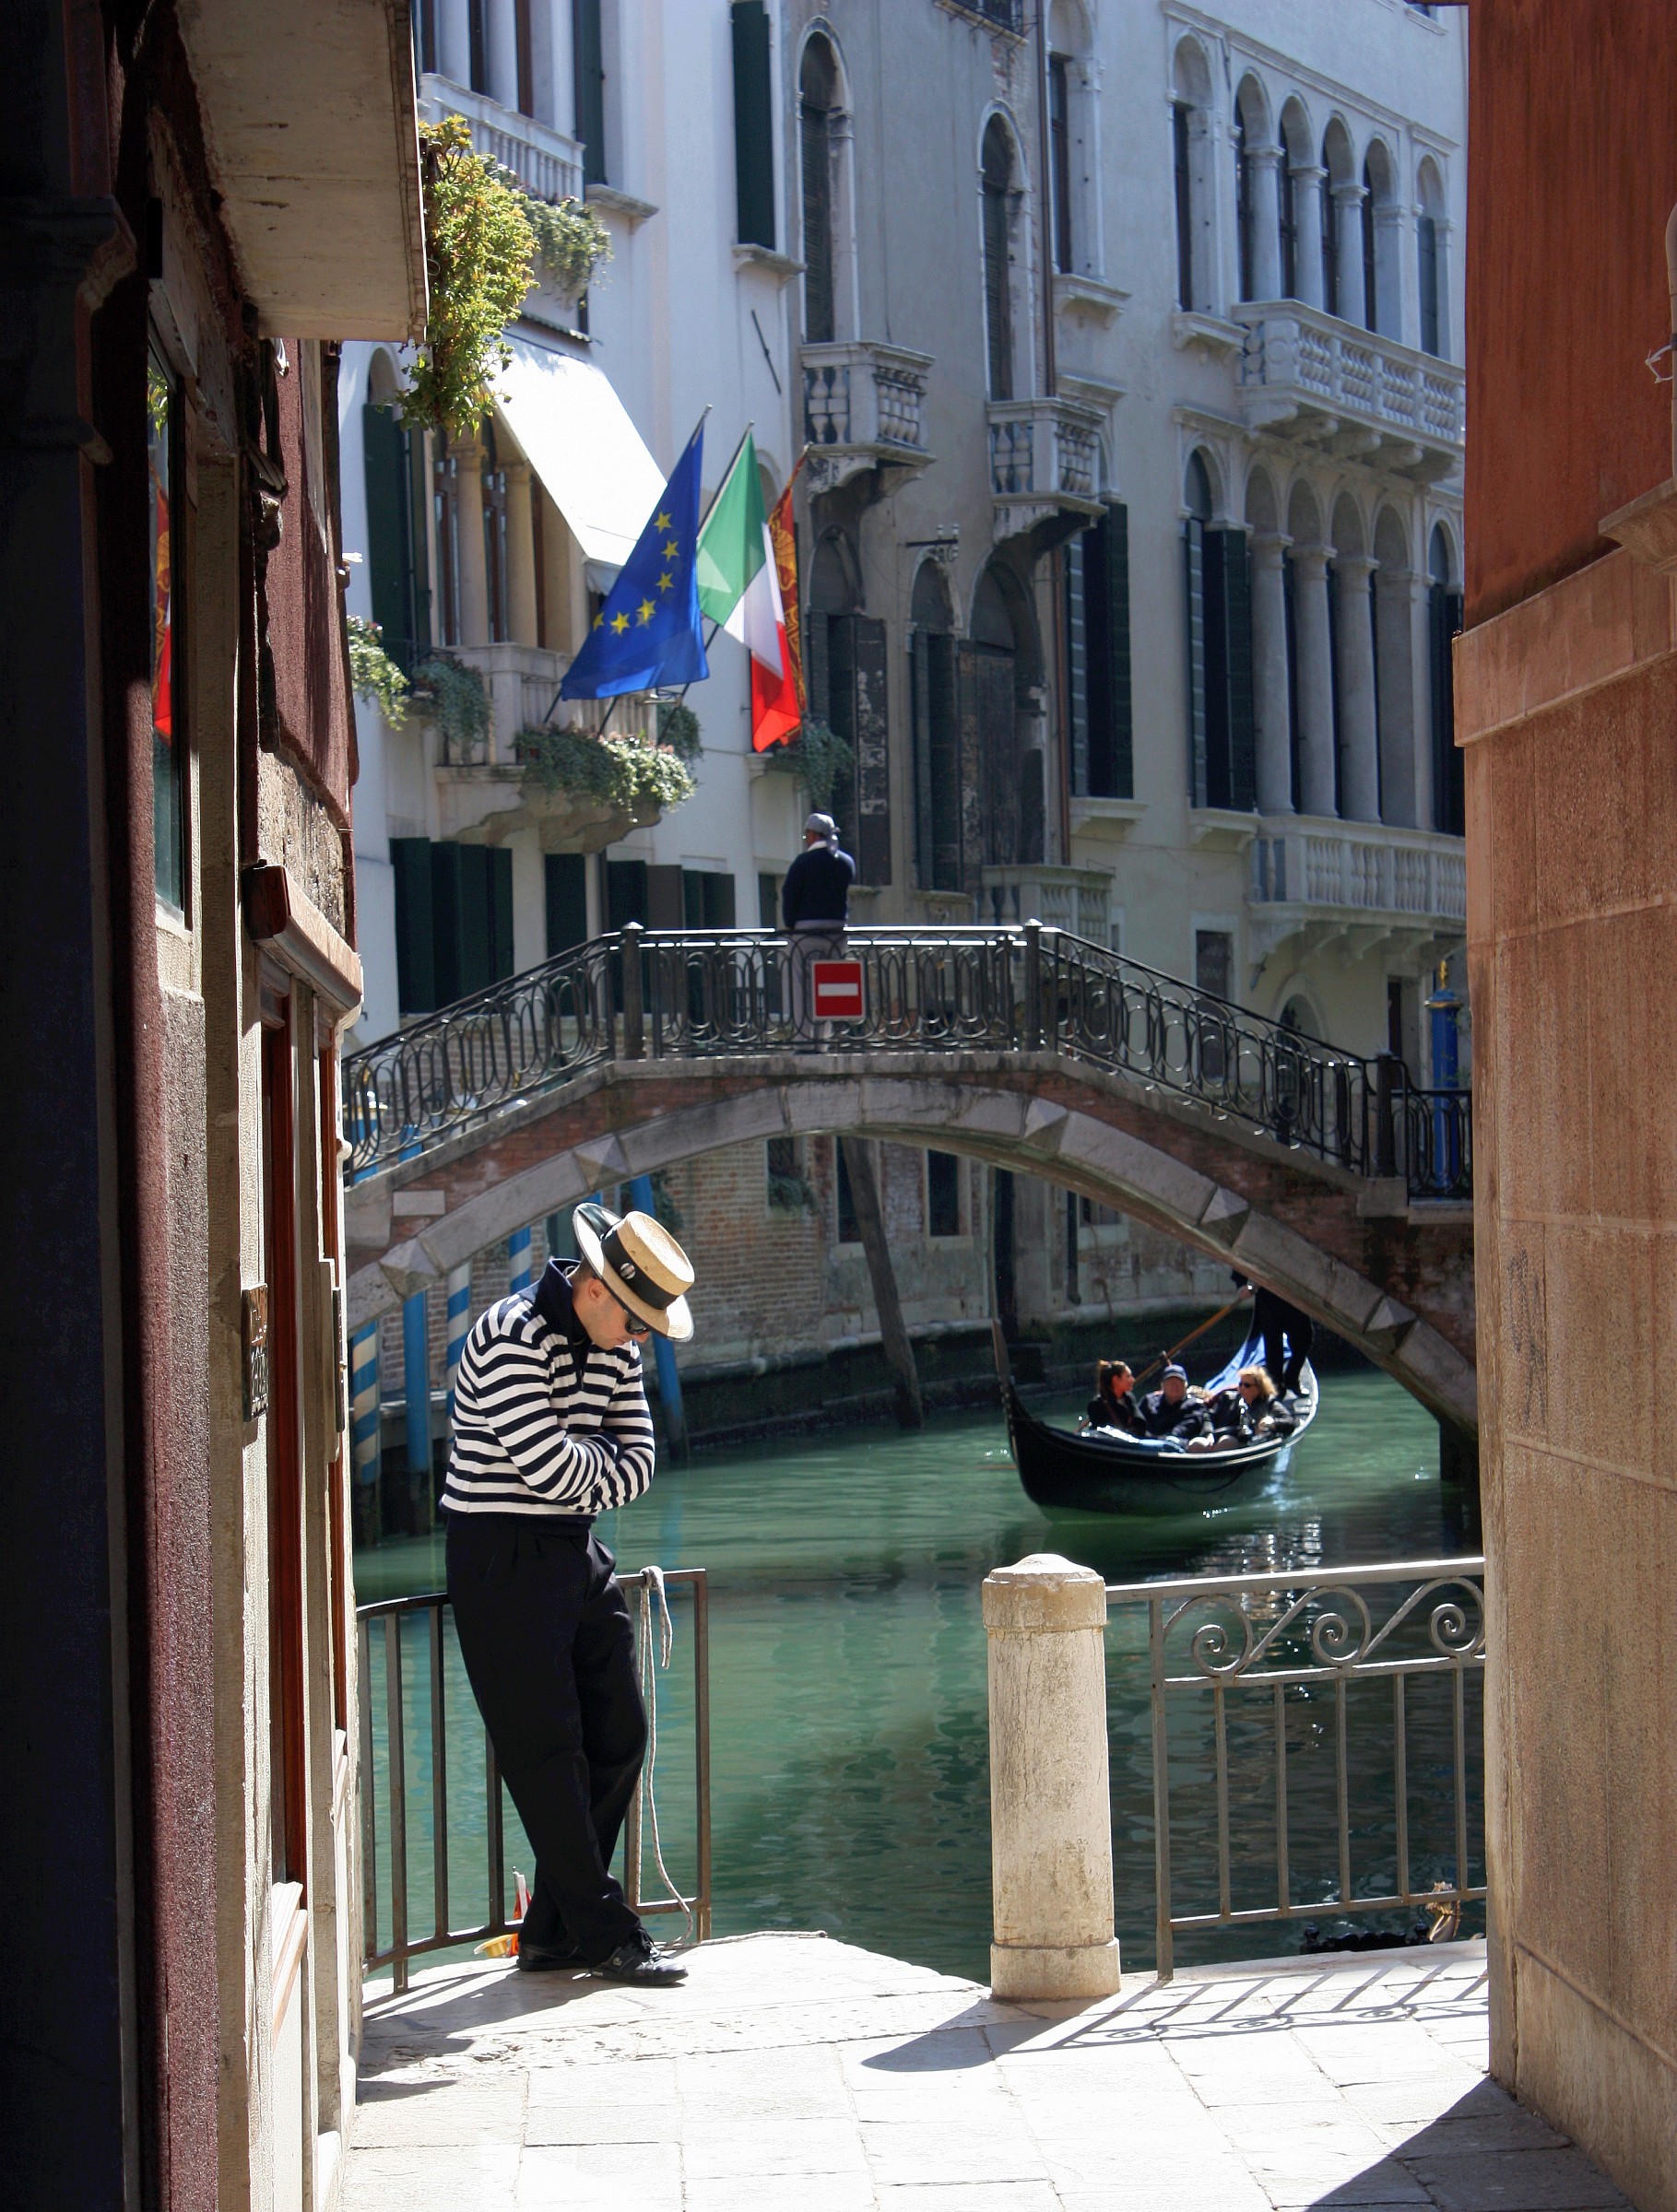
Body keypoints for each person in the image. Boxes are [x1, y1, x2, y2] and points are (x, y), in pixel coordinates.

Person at [443, 1200, 697, 1986]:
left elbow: (639, 1463)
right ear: (594, 1290)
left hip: (576, 1550)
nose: (642, 1339)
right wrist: (593, 1459)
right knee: (547, 1753)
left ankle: (553, 1933)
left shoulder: (614, 1347)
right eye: (637, 1321)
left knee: (621, 1733)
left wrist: (583, 1462)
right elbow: (548, 1469)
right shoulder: (510, 1335)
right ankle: (608, 1934)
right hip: (500, 1557)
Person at [781, 810, 855, 1046]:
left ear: (813, 835)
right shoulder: (846, 863)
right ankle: (823, 1039)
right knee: (830, 986)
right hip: (837, 932)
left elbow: (789, 896)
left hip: (806, 932)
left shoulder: (802, 863)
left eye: (806, 836)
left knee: (801, 985)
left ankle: (804, 1040)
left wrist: (791, 925)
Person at [1233, 1272, 1316, 1394]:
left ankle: (1291, 1378)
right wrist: (1242, 1285)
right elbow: (1242, 1262)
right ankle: (1276, 1386)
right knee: (1273, 1342)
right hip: (1269, 1296)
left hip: (1294, 1294)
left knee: (1305, 1338)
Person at [1137, 1362, 1211, 1445]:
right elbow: (1137, 1423)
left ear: (1185, 1384)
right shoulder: (1148, 1401)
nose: (1174, 1385)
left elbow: (1187, 1428)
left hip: (1179, 1446)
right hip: (1146, 1444)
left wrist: (1167, 1439)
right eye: (1169, 1381)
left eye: (1179, 1381)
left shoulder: (1195, 1405)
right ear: (1162, 1385)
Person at [1082, 1359, 1143, 1435]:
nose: (1132, 1380)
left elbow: (1141, 1426)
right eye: (1128, 1376)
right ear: (1116, 1379)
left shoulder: (1129, 1399)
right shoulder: (1096, 1406)